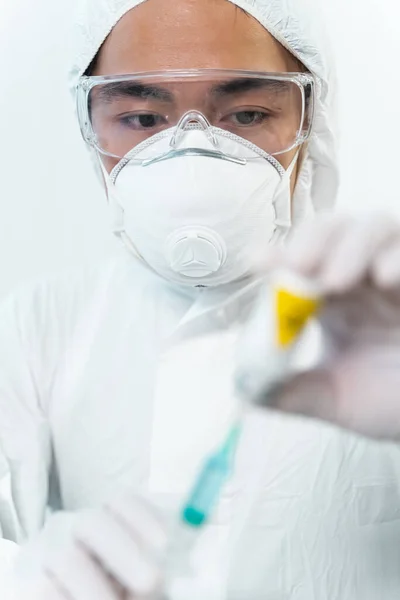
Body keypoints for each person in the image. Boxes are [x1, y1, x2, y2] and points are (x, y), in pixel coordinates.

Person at [2, 0, 400, 598]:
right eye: (140, 119)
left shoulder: (382, 322)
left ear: (310, 120)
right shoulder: (37, 325)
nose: (191, 158)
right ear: (90, 125)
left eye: (245, 112)